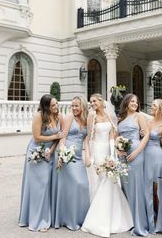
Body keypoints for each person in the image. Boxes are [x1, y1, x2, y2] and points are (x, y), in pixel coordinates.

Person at [81, 93, 133, 238]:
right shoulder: (92, 116)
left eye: (94, 101)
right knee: (99, 181)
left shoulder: (110, 116)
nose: (92, 104)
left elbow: (113, 136)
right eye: (91, 102)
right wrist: (88, 155)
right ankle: (97, 217)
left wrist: (114, 153)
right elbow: (88, 138)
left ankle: (113, 217)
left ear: (102, 101)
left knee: (110, 181)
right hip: (97, 150)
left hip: (108, 151)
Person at [19, 94, 65, 232]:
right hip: (36, 152)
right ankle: (38, 220)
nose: (56, 107)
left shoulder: (59, 116)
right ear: (46, 107)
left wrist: (51, 151)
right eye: (52, 105)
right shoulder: (39, 116)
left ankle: (45, 217)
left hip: (49, 152)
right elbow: (37, 137)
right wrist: (54, 136)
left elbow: (60, 137)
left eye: (56, 104)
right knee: (39, 186)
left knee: (47, 185)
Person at [52, 96, 90, 230]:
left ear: (83, 107)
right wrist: (61, 154)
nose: (74, 108)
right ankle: (70, 219)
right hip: (67, 155)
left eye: (76, 106)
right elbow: (63, 137)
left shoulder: (86, 120)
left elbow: (86, 139)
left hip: (79, 156)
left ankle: (81, 217)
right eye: (72, 106)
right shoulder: (69, 117)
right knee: (76, 184)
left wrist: (88, 155)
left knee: (84, 186)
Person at [117, 93, 149, 236]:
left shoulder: (139, 116)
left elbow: (146, 135)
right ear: (126, 102)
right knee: (126, 186)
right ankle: (128, 220)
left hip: (136, 153)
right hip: (123, 156)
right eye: (132, 101)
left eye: (136, 101)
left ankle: (139, 223)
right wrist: (118, 149)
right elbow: (117, 137)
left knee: (136, 187)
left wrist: (137, 152)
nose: (135, 103)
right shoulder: (121, 118)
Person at [144, 99, 162, 234]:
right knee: (146, 189)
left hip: (156, 158)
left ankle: (160, 219)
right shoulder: (147, 121)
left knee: (156, 190)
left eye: (154, 105)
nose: (151, 106)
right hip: (145, 157)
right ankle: (149, 217)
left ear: (160, 109)